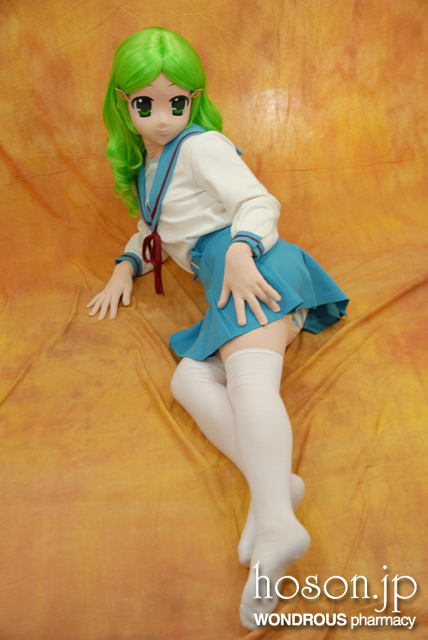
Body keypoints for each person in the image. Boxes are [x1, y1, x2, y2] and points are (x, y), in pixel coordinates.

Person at [87, 26, 349, 629]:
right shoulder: (150, 167)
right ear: (124, 105)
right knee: (188, 381)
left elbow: (258, 201)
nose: (162, 117)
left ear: (194, 99)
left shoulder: (203, 146)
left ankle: (277, 525)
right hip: (226, 281)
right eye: (146, 103)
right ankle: (277, 485)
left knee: (249, 383)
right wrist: (126, 265)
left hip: (256, 267)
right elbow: (157, 230)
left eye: (176, 102)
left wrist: (240, 248)